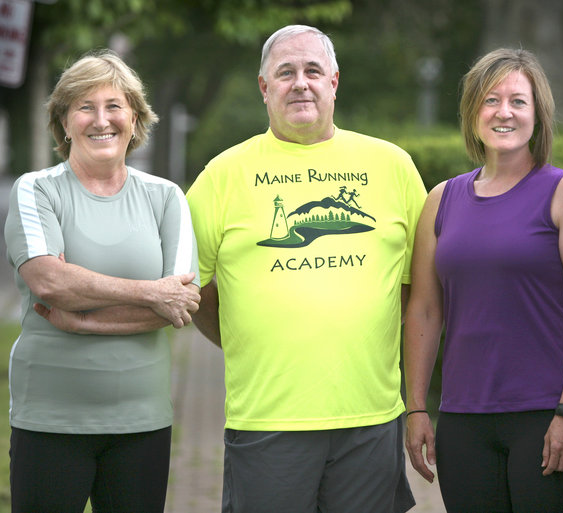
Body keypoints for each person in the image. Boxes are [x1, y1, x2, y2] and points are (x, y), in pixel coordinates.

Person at [185, 25, 427, 513]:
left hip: (370, 421)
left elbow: (415, 292)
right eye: (286, 72)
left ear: (334, 82)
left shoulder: (392, 166)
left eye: (313, 71)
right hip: (267, 421)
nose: (301, 83)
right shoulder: (221, 176)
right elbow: (195, 291)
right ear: (264, 87)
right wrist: (248, 335)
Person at [404, 48, 563, 512]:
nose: (504, 112)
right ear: (473, 112)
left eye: (518, 101)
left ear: (538, 114)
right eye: (491, 100)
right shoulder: (441, 199)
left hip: (549, 416)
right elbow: (425, 311)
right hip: (464, 419)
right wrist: (416, 408)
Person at [3, 49, 200, 513]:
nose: (101, 119)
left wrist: (83, 320)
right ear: (64, 122)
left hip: (142, 422)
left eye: (114, 105)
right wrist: (151, 293)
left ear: (135, 119)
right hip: (49, 419)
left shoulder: (166, 197)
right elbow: (50, 282)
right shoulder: (36, 189)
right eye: (85, 107)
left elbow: (183, 303)